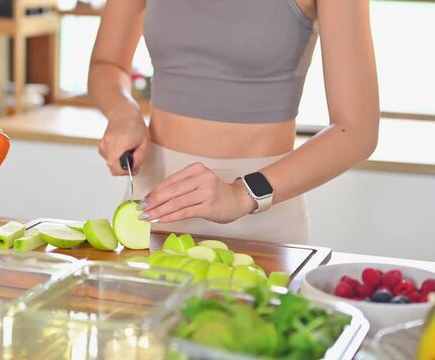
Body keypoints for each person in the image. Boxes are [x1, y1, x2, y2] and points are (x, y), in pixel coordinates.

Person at [88, 0, 379, 244]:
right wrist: (124, 113)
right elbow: (107, 64)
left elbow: (356, 131)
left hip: (261, 217)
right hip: (153, 208)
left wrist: (242, 194)